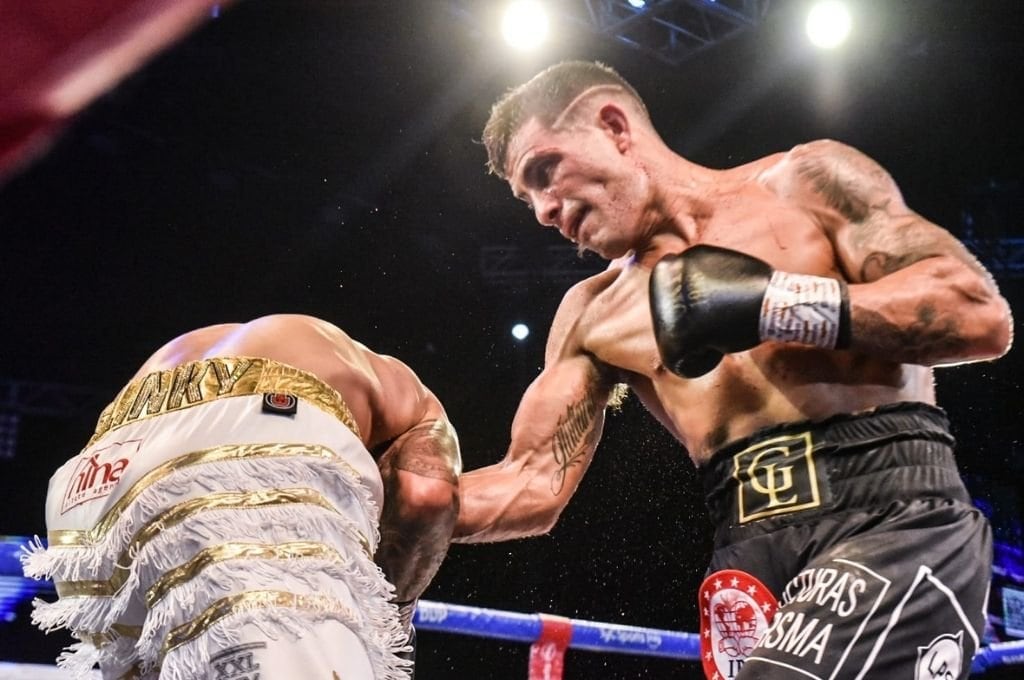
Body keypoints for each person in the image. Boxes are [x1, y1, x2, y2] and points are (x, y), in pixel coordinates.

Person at [453, 61, 1013, 680]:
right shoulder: (592, 314)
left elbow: (978, 314)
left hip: (892, 514)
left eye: (544, 172)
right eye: (526, 196)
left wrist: (775, 305)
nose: (542, 211)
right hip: (744, 548)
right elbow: (530, 485)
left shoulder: (805, 183)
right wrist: (367, 500)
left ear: (613, 126)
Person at [22, 314, 461, 680]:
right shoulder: (415, 403)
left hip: (87, 485)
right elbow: (427, 497)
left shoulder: (334, 363)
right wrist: (390, 623)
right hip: (248, 442)